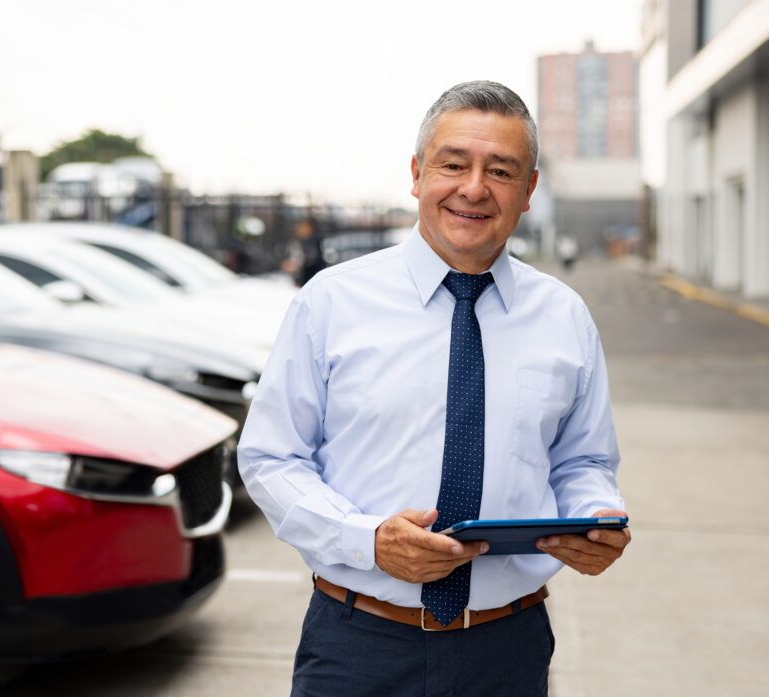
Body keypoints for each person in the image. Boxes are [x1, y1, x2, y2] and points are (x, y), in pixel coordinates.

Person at [238, 80, 629, 697]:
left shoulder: (564, 315)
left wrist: (594, 517)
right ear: (418, 173)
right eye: (454, 164)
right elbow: (270, 457)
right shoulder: (331, 302)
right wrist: (367, 540)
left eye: (500, 171)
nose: (474, 188)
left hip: (508, 649)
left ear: (528, 191)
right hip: (358, 645)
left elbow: (581, 459)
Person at [282, 218, 327, 286]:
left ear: (309, 228)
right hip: (307, 277)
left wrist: (295, 265)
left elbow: (311, 258)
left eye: (302, 227)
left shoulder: (313, 241)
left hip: (313, 277)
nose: (299, 229)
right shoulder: (301, 241)